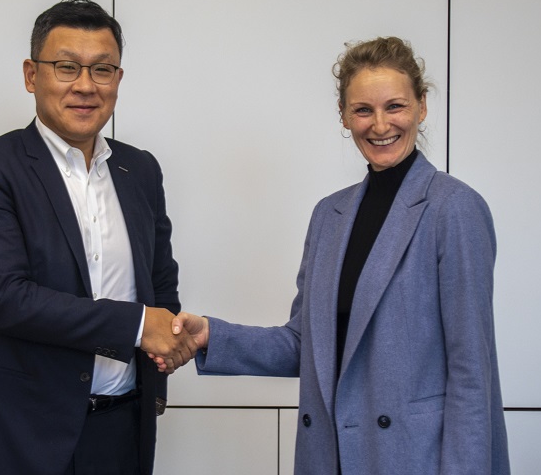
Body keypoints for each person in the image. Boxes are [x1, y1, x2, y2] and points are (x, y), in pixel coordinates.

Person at [159, 37, 510, 474]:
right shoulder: (330, 215)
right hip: (329, 456)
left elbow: (472, 375)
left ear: (422, 107)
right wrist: (210, 334)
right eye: (363, 110)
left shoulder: (453, 208)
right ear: (344, 117)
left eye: (395, 106)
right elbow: (304, 345)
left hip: (412, 459)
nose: (380, 124)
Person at [0, 0, 196, 475]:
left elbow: (161, 282)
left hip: (120, 431)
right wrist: (141, 327)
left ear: (118, 80)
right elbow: (4, 299)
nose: (85, 86)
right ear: (31, 75)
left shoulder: (139, 169)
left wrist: (168, 350)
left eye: (102, 70)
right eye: (66, 67)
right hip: (17, 432)